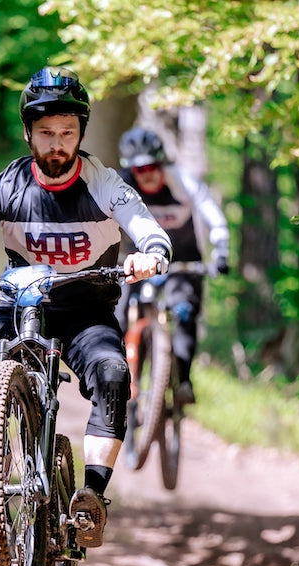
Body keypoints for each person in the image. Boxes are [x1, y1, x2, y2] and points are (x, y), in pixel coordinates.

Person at [0, 67, 172, 549]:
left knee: (113, 375)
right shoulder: (8, 185)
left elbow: (147, 227)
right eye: (46, 133)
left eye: (67, 133)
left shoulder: (104, 183)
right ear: (28, 133)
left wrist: (150, 254)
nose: (57, 144)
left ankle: (91, 499)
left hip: (87, 311)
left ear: (81, 134)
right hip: (18, 308)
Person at [115, 127, 231, 405]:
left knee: (184, 310)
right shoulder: (120, 186)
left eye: (152, 166)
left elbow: (211, 213)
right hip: (138, 258)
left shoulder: (181, 181)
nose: (147, 174)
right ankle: (112, 374)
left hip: (183, 258)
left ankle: (183, 381)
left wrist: (221, 251)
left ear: (162, 164)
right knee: (117, 310)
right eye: (139, 169)